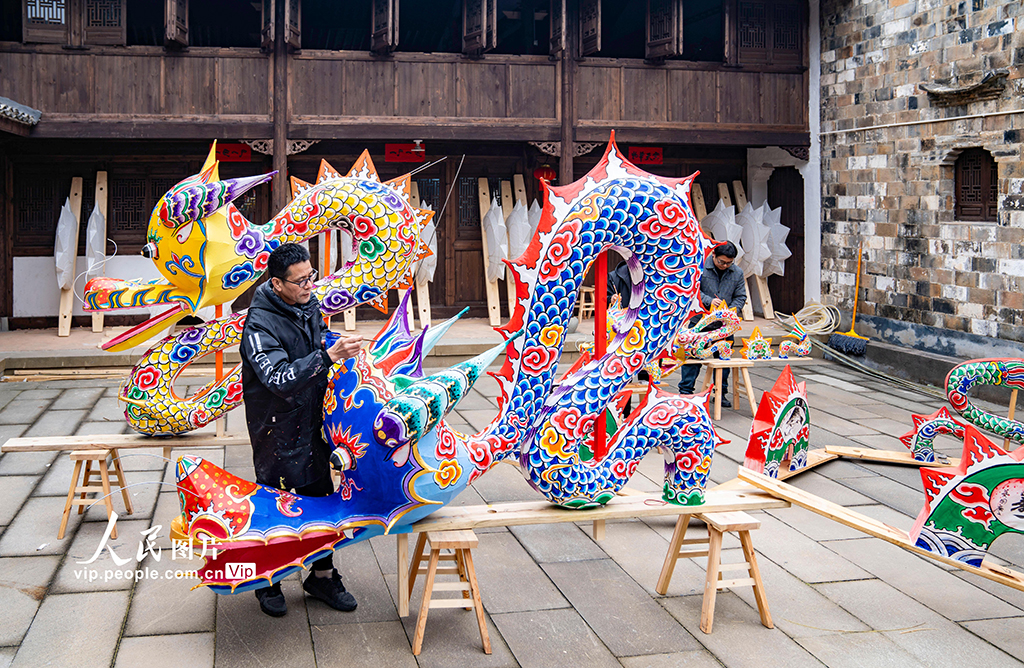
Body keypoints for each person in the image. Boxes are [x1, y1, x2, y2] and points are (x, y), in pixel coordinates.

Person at [240, 242, 363, 618]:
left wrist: (337, 345)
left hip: (310, 417)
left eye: (312, 276)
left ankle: (322, 575)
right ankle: (267, 580)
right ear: (277, 284)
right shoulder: (258, 325)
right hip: (274, 425)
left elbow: (318, 338)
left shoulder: (306, 304)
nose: (310, 285)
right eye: (301, 281)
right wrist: (328, 356)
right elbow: (277, 378)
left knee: (319, 494)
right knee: (275, 502)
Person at [677, 242, 747, 406]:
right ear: (713, 255)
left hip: (724, 325)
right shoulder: (699, 267)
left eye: (728, 263)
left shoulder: (737, 273)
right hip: (700, 322)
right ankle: (686, 392)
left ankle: (720, 393)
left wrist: (731, 311)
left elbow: (740, 296)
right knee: (692, 358)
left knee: (723, 360)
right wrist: (708, 301)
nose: (724, 265)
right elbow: (692, 289)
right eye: (721, 262)